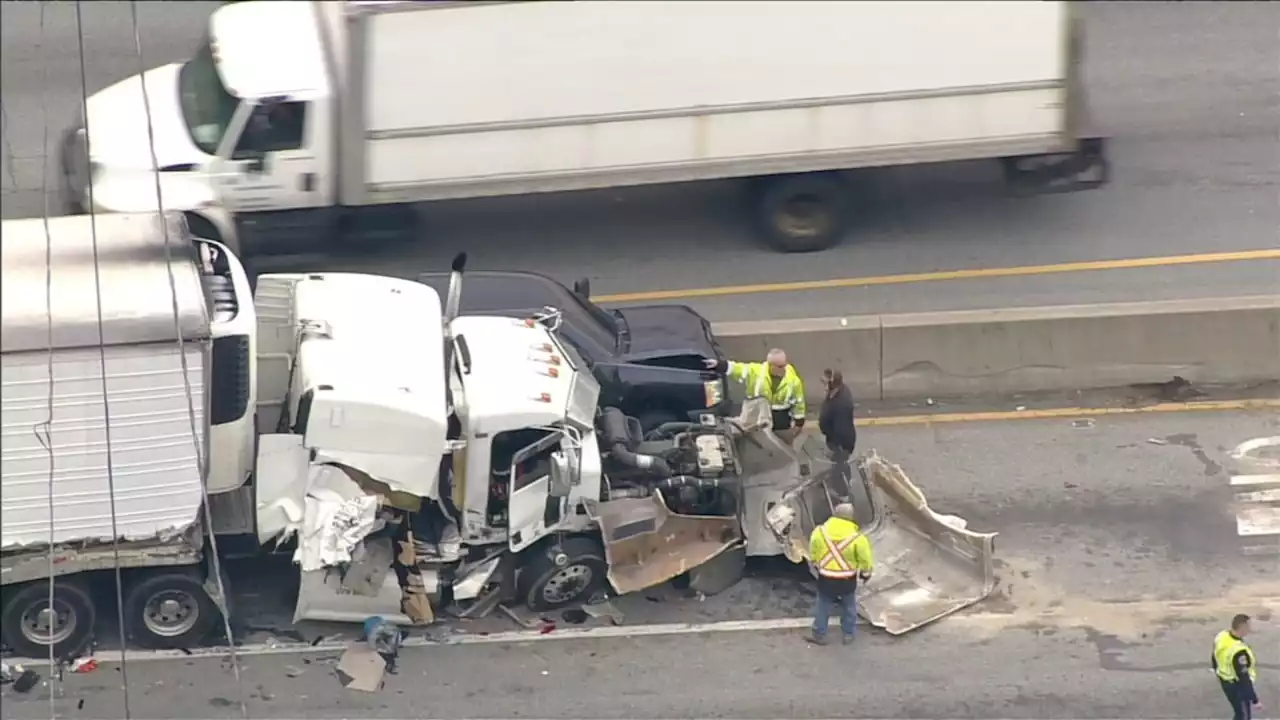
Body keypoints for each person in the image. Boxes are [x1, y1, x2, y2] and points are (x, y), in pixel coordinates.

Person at [807, 502, 873, 646]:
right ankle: (848, 634)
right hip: (847, 579)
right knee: (849, 606)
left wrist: (816, 562)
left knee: (823, 606)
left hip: (826, 577)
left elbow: (813, 549)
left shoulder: (820, 532)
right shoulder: (857, 538)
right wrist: (866, 573)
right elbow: (865, 558)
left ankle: (820, 634)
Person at [705, 348, 806, 432]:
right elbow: (737, 369)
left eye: (784, 365)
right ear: (771, 366)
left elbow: (799, 403)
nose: (784, 368)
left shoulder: (793, 381)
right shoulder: (756, 372)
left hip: (781, 426)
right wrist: (718, 365)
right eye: (780, 366)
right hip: (758, 424)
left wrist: (799, 423)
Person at [1214, 614, 1261, 720]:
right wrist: (1255, 700)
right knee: (1243, 716)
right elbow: (1244, 678)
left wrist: (1217, 671)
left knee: (1238, 712)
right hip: (1237, 687)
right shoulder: (1239, 651)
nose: (1250, 629)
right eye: (1249, 626)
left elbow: (1215, 655)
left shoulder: (1222, 636)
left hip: (1224, 680)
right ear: (1242, 627)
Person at [818, 368, 857, 473]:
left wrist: (838, 449)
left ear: (832, 384)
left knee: (840, 472)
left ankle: (843, 488)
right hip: (834, 442)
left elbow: (842, 430)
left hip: (839, 445)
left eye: (826, 384)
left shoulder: (841, 404)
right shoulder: (835, 394)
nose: (824, 387)